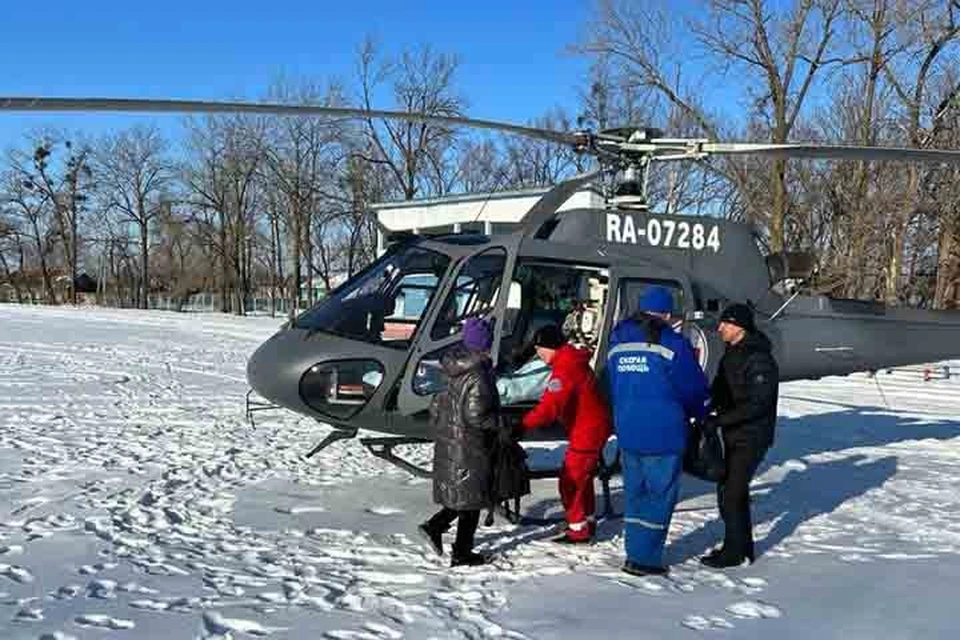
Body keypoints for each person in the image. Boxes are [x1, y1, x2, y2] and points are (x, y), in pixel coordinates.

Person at [606, 286, 710, 576]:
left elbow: (611, 383)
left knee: (634, 493)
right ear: (666, 313)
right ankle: (645, 558)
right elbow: (692, 387)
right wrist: (701, 411)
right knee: (659, 495)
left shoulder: (617, 340)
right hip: (663, 432)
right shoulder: (671, 342)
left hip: (627, 429)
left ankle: (633, 551)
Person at [418, 317, 504, 567]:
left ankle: (437, 528)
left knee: (464, 496)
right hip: (470, 444)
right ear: (485, 344)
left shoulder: (451, 368)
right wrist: (502, 424)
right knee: (472, 499)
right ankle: (460, 551)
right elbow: (477, 415)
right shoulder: (478, 374)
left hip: (452, 440)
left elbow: (436, 406)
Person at [700, 303, 779, 568]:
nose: (720, 328)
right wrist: (703, 408)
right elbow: (720, 390)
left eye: (725, 323)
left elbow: (759, 403)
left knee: (732, 492)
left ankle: (734, 552)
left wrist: (720, 419)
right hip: (734, 432)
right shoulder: (731, 353)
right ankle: (742, 547)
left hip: (752, 435)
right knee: (730, 491)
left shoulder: (758, 358)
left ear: (739, 327)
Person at [520, 324, 612, 543]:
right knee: (582, 478)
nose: (538, 354)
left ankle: (578, 530)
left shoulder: (565, 368)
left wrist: (522, 424)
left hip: (587, 431)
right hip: (590, 427)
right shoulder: (571, 360)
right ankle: (586, 522)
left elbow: (549, 408)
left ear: (550, 347)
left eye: (540, 349)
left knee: (570, 480)